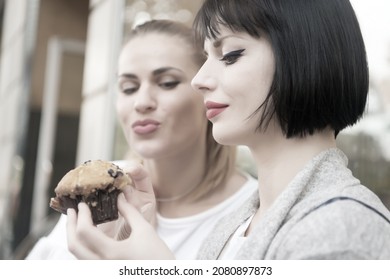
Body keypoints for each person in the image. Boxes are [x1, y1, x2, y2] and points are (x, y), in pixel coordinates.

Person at [66, 0, 390, 260]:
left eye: (230, 55)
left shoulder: (340, 232)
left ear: (305, 53)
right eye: (207, 56)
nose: (200, 80)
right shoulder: (237, 226)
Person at [25, 19, 257, 260]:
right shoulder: (96, 191)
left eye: (167, 83)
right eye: (128, 87)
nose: (141, 101)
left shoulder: (256, 213)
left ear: (207, 89)